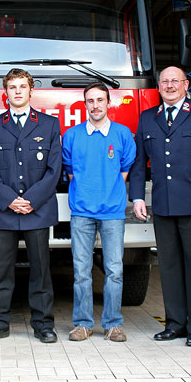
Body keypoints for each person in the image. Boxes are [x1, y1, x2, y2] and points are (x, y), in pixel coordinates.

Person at [129, 66, 191, 347]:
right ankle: (175, 324)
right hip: (164, 205)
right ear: (158, 86)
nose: (170, 85)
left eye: (175, 81)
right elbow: (139, 163)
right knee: (169, 268)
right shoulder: (148, 117)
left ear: (186, 85)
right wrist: (138, 197)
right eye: (164, 81)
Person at [0, 68, 62, 343]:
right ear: (5, 92)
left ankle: (43, 324)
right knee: (1, 271)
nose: (17, 91)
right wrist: (9, 200)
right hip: (5, 211)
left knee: (41, 270)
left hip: (37, 211)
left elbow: (54, 169)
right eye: (12, 87)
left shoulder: (49, 125)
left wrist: (31, 201)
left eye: (22, 86)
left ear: (31, 90)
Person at [62, 82, 136, 342]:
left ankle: (113, 324)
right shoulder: (72, 135)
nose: (95, 105)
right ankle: (82, 324)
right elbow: (70, 170)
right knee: (81, 270)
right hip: (81, 211)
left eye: (100, 100)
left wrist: (108, 192)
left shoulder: (122, 134)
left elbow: (125, 169)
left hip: (113, 212)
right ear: (85, 104)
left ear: (108, 102)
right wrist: (87, 191)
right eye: (90, 101)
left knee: (114, 269)